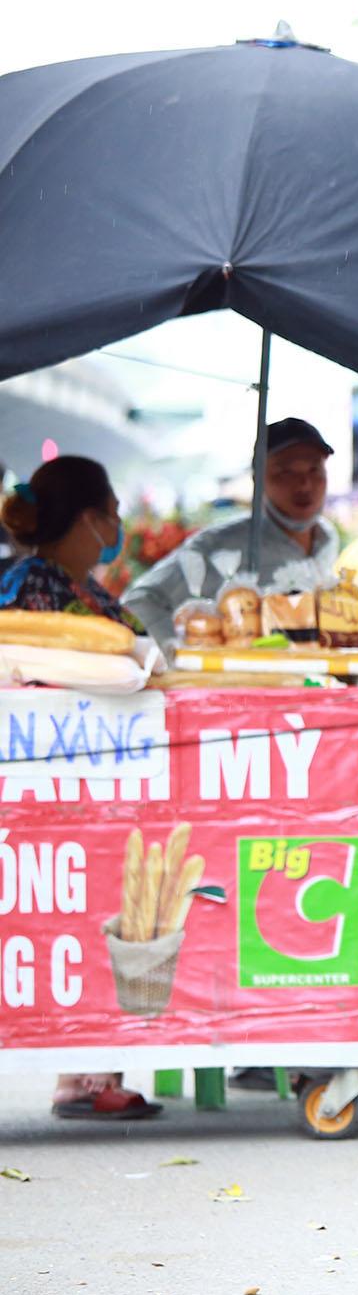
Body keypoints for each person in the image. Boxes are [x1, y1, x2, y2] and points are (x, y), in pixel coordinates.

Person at [0, 456, 162, 1121]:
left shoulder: (81, 589)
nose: (119, 524)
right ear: (90, 518)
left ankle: (89, 1069)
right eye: (113, 510)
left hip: (86, 780)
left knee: (90, 915)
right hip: (48, 782)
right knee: (72, 917)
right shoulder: (32, 590)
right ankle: (86, 1075)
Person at [124, 418, 341, 652]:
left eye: (314, 469)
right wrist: (174, 654)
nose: (304, 484)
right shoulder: (220, 545)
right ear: (258, 479)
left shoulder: (327, 539)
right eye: (285, 472)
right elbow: (138, 602)